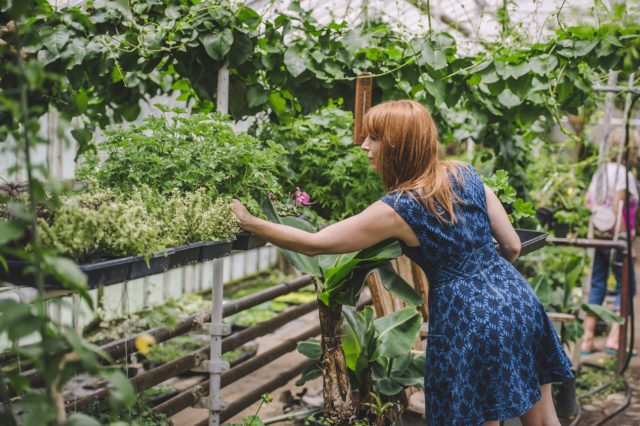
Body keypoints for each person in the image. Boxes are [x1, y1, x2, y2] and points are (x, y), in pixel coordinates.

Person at [232, 100, 573, 425]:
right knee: (544, 419)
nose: (364, 145)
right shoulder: (465, 173)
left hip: (470, 321)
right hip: (521, 303)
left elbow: (314, 243)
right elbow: (512, 245)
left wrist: (250, 221)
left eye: (374, 138)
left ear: (399, 145)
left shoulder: (400, 207)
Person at [582, 127, 639, 356]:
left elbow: (588, 202)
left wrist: (600, 219)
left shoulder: (602, 171)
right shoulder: (624, 174)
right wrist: (626, 242)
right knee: (627, 287)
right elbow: (619, 207)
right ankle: (615, 339)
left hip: (599, 237)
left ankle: (587, 339)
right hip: (618, 239)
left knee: (598, 284)